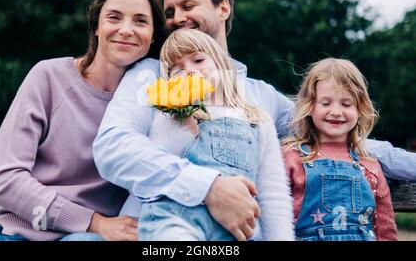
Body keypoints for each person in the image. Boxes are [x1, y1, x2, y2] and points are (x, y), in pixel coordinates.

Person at [93, 0, 416, 241]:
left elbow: (335, 137)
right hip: (159, 229)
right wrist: (209, 187)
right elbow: (114, 146)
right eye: (170, 11)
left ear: (223, 7)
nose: (177, 18)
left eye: (188, 6)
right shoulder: (153, 75)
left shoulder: (261, 98)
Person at [0, 0, 166, 241]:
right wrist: (94, 222)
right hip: (13, 231)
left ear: (153, 36)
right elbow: (5, 180)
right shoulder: (49, 76)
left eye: (140, 21)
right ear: (96, 25)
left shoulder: (153, 102)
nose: (126, 29)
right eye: (114, 17)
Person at [123, 28, 294, 240]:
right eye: (177, 69)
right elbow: (156, 169)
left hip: (236, 230)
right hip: (175, 221)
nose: (189, 71)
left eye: (198, 61)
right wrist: (183, 124)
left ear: (220, 63)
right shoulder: (170, 115)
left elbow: (273, 194)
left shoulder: (258, 120)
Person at [282, 58, 397, 241]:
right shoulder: (291, 156)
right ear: (310, 106)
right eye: (326, 103)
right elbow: (274, 215)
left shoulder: (369, 166)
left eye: (346, 104)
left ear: (360, 109)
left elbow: (385, 228)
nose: (336, 111)